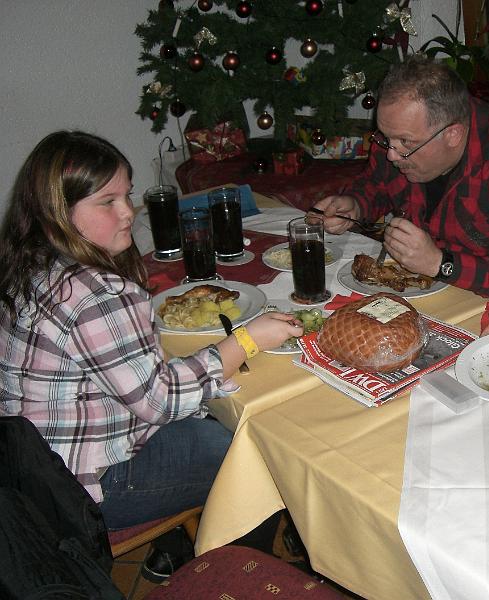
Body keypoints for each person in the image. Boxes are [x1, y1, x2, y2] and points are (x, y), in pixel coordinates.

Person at [0, 130, 304, 579]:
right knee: (251, 452)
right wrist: (245, 340)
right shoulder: (93, 294)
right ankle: (240, 574)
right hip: (87, 488)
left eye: (127, 194)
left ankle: (175, 547)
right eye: (108, 202)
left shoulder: (29, 262)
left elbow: (131, 378)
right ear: (57, 211)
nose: (128, 211)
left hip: (32, 471)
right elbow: (159, 400)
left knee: (210, 418)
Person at [311, 54, 489, 303]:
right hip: (432, 293)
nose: (391, 154)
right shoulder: (399, 136)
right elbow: (377, 184)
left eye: (405, 142)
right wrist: (356, 204)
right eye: (386, 138)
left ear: (452, 135)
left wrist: (440, 264)